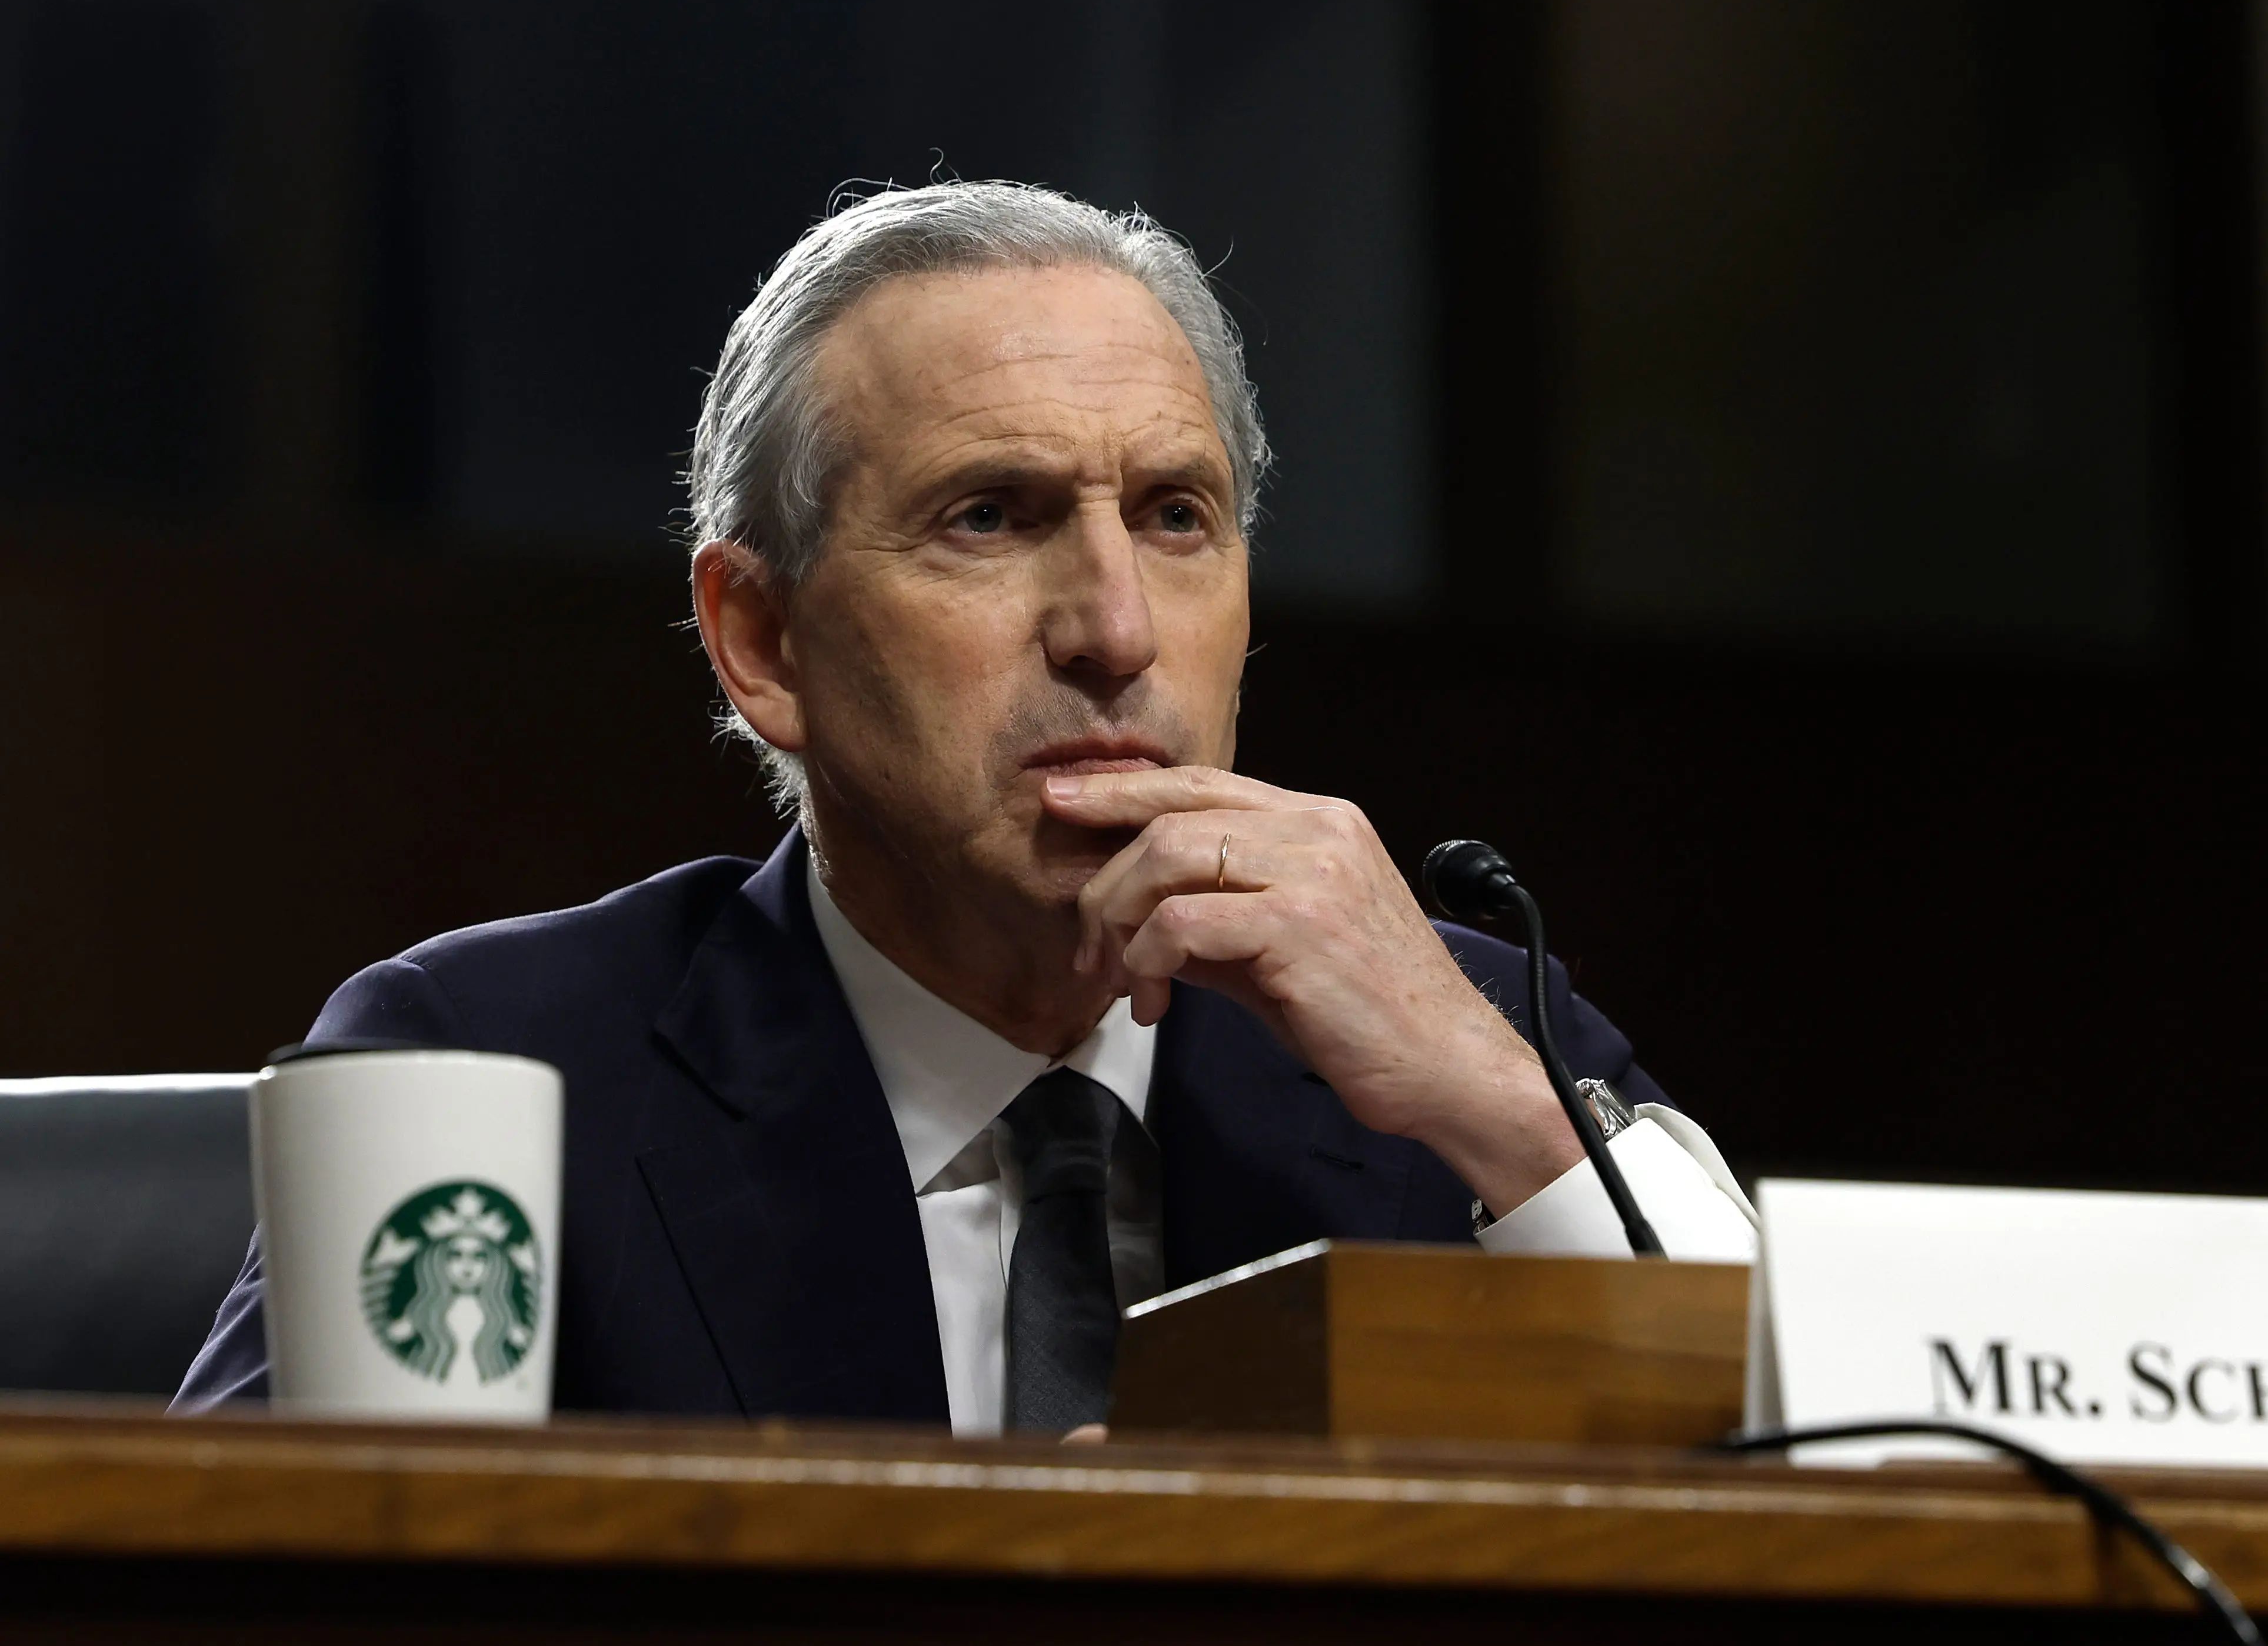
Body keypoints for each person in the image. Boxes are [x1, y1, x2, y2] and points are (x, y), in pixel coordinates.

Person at [176, 181, 1754, 1435]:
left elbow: (1854, 1500)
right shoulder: (502, 1073)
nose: (1114, 629)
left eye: (1174, 517)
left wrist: (1511, 1116)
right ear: (764, 642)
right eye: (989, 517)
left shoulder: (1474, 1047)